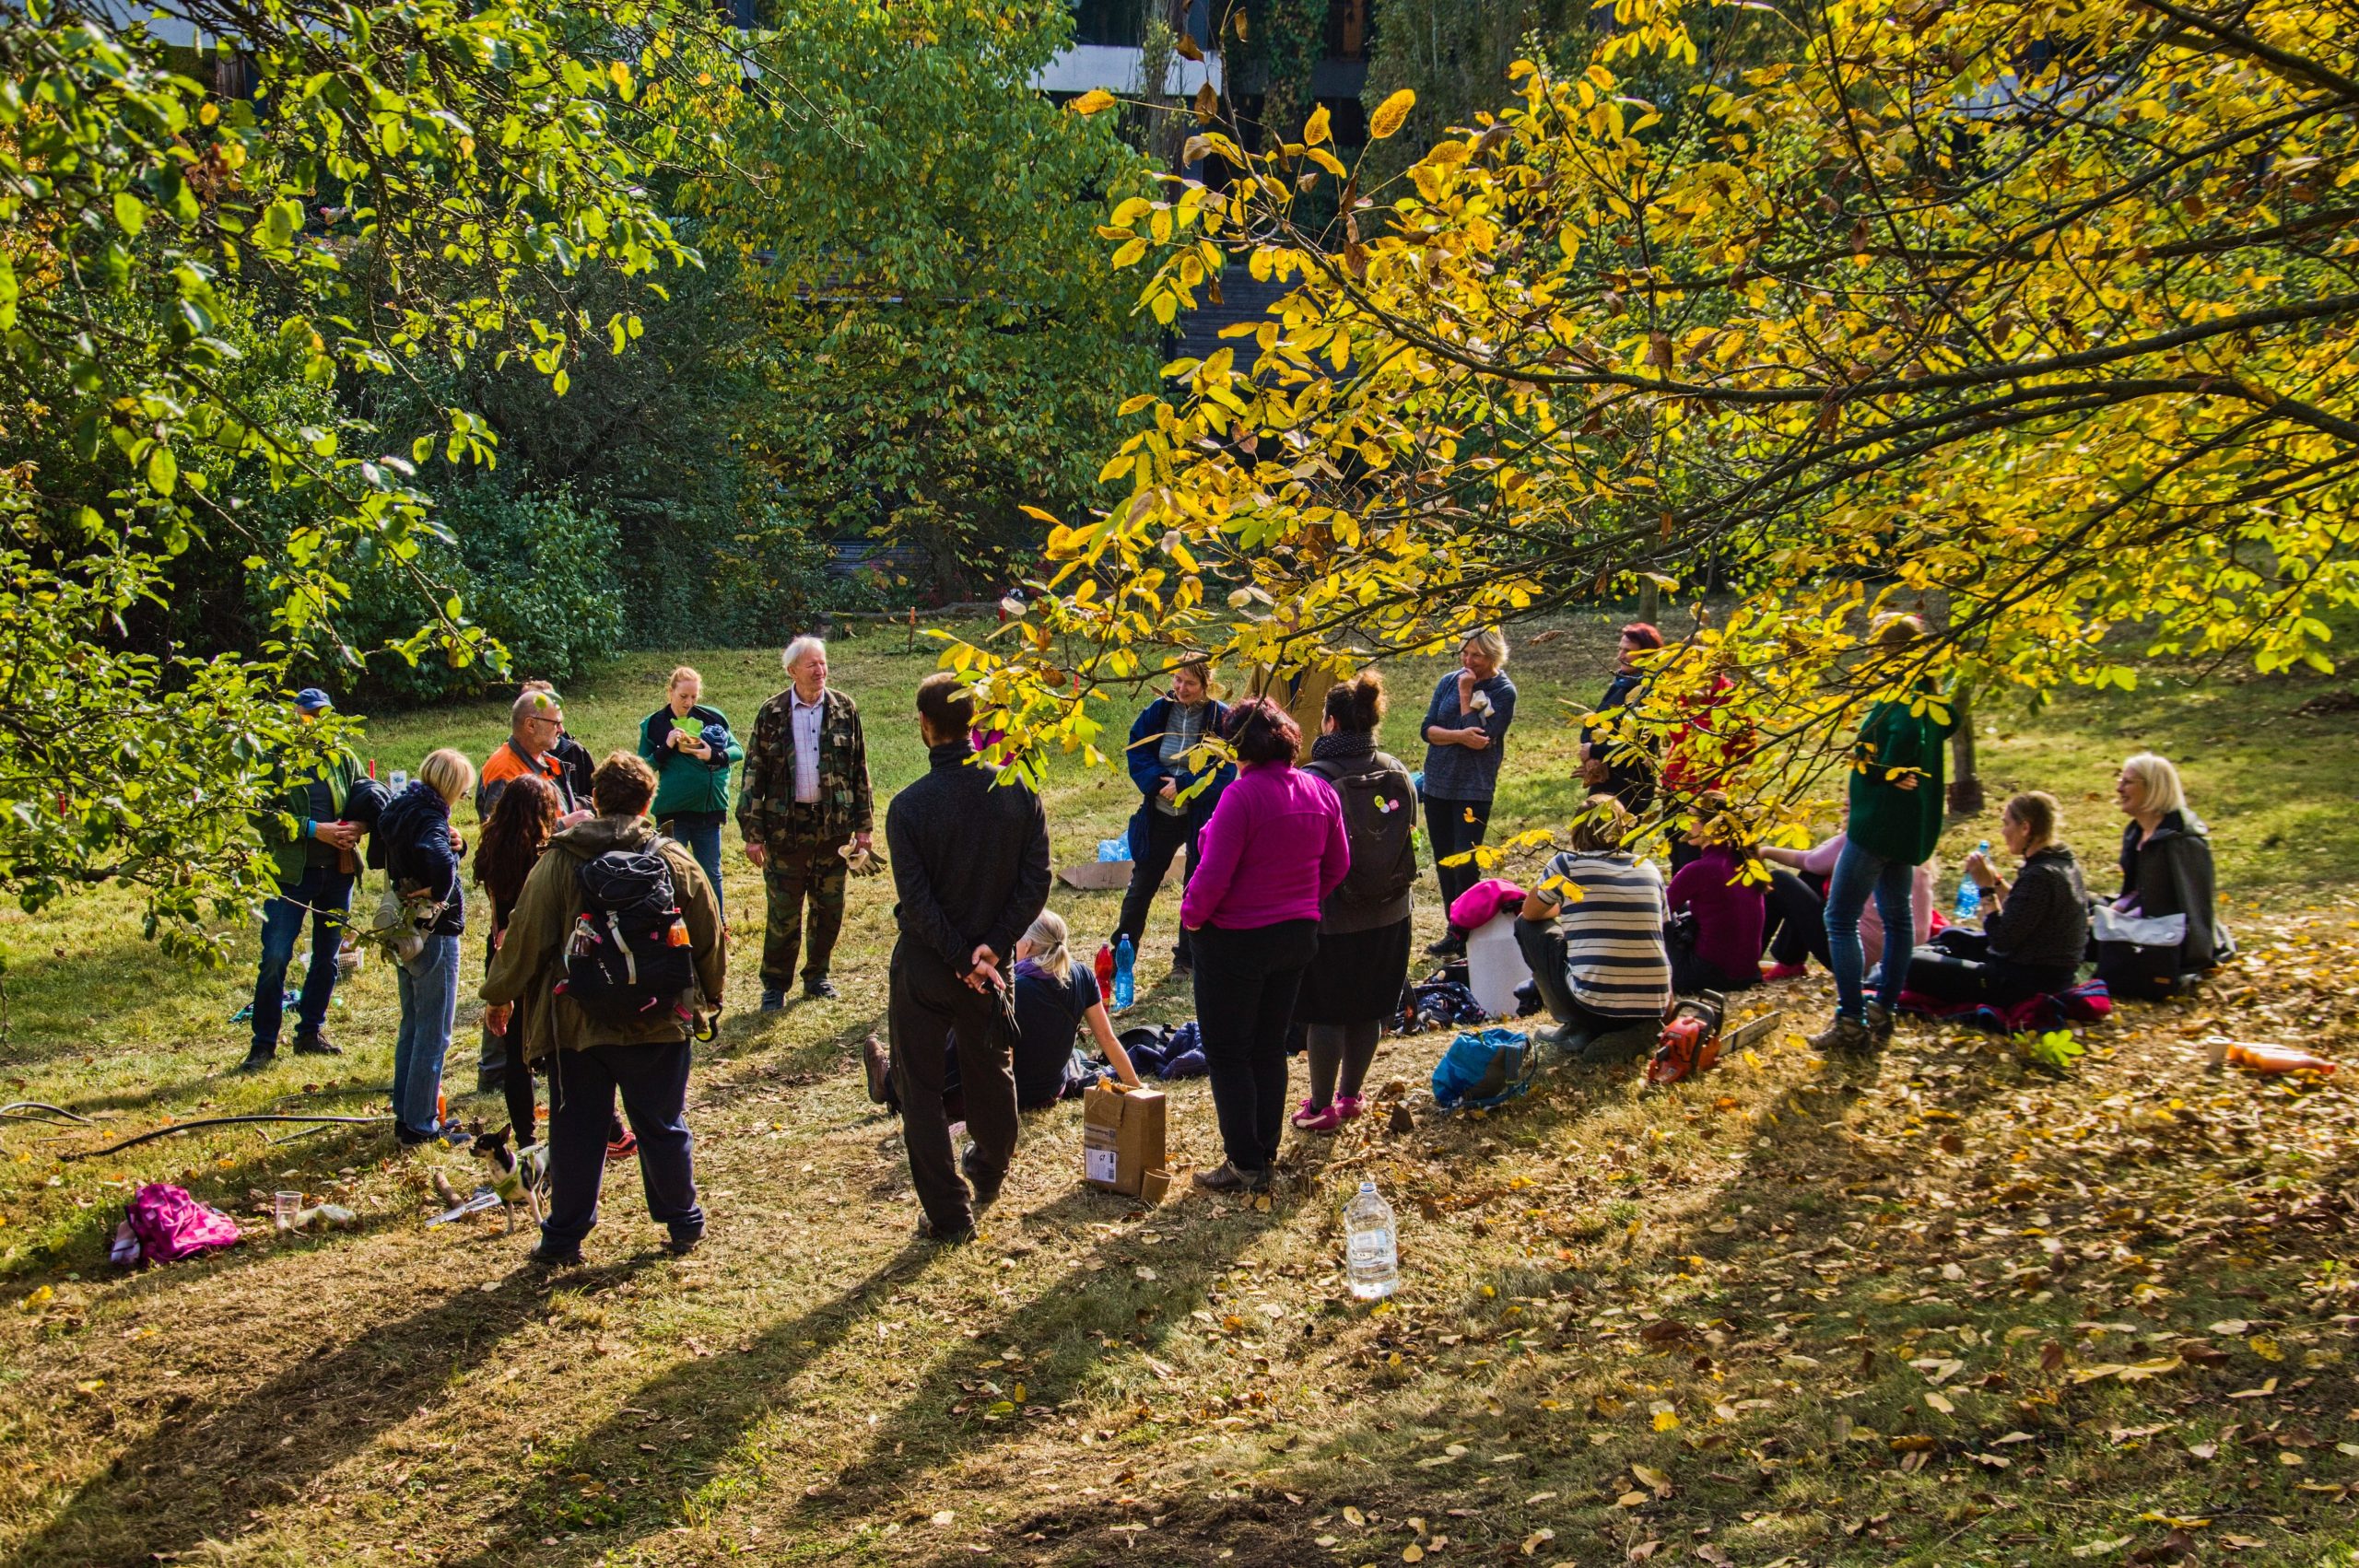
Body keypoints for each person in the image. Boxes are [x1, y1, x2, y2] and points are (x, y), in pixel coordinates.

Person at [481, 752, 725, 1267]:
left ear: (594, 799)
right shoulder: (673, 858)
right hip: (660, 1019)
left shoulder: (560, 859)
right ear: (648, 801)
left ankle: (563, 1238)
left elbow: (526, 936)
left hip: (577, 1023)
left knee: (576, 1132)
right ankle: (683, 1222)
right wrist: (711, 996)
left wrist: (499, 993)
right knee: (662, 1123)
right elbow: (708, 932)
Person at [885, 672, 1051, 1242]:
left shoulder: (909, 806)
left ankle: (951, 1210)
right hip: (985, 960)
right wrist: (992, 948)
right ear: (977, 726)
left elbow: (918, 901)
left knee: (921, 1089)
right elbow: (1036, 883)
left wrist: (964, 955)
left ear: (926, 727)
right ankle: (988, 1166)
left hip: (933, 964)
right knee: (990, 1069)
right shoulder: (1018, 792)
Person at [1180, 698, 1350, 1190]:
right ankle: (1263, 1152)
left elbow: (1212, 876)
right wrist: (1304, 901)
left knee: (1229, 1050)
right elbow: (1338, 865)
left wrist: (1192, 920)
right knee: (1268, 1047)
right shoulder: (1319, 791)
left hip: (1235, 938)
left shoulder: (1242, 796)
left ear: (1238, 747)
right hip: (1295, 935)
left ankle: (1244, 1161)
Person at [1812, 614, 1962, 1055]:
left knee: (1839, 918)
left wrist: (1885, 770)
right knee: (1898, 921)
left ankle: (1851, 1018)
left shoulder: (1902, 703)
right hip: (1908, 832)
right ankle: (1884, 1007)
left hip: (1876, 827)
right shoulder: (1932, 702)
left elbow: (1899, 745)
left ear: (1889, 650)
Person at [472, 774, 639, 1163]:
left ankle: (527, 1139)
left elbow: (499, 910)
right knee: (561, 1045)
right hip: (544, 952)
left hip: (502, 949)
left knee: (516, 1055)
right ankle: (609, 1129)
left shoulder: (492, 846)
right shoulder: (548, 855)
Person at [1292, 673, 1417, 1133]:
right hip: (1391, 912)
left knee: (1327, 1012)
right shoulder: (1399, 771)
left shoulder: (1313, 779)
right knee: (1369, 1006)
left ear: (1328, 723)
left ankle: (1320, 1105)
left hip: (1333, 917)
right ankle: (1350, 1097)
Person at [238, 687, 374, 1073]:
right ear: (294, 717)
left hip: (337, 872)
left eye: (323, 715)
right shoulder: (274, 761)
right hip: (289, 876)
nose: (316, 722)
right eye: (309, 714)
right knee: (275, 957)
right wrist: (316, 830)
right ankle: (263, 1044)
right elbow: (259, 813)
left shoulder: (342, 759)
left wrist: (357, 827)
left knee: (327, 957)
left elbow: (367, 798)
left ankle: (310, 1031)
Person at [739, 637, 874, 1007]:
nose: (820, 670)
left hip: (833, 827)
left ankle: (818, 975)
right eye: (812, 664)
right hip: (786, 828)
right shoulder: (772, 713)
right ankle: (775, 984)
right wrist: (753, 834)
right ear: (792, 670)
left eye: (823, 663)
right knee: (784, 910)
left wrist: (864, 828)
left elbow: (859, 770)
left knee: (828, 908)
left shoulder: (845, 708)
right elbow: (754, 773)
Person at [1516, 794, 1673, 1063]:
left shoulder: (1566, 865)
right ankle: (1639, 1030)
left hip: (1595, 1007)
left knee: (1525, 927)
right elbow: (1662, 932)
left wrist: (1565, 908)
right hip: (1655, 1004)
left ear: (1577, 828)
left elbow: (1530, 912)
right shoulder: (1648, 867)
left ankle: (1575, 1025)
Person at [1907, 790, 2091, 1006]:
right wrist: (1996, 880)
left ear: (2025, 828)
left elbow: (2001, 940)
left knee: (1910, 963)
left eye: (2006, 824)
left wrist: (1986, 889)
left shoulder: (2042, 875)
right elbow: (2026, 908)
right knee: (1952, 936)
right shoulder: (2061, 862)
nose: (2003, 832)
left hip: (2025, 983)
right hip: (2045, 973)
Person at [381, 748, 476, 1146]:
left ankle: (406, 1112)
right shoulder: (431, 818)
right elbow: (438, 857)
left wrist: (457, 846)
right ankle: (421, 1124)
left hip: (404, 928)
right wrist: (441, 888)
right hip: (433, 930)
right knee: (435, 1031)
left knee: (414, 1023)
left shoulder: (401, 806)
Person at [1114, 660, 1232, 979]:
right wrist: (1158, 782)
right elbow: (1137, 751)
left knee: (1194, 887)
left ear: (1206, 685)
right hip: (1161, 813)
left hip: (1200, 815)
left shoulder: (1221, 718)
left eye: (1190, 684)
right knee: (1141, 886)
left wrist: (1185, 785)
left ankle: (1186, 960)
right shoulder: (1158, 710)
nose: (1181, 689)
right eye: (1178, 680)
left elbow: (1226, 767)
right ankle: (1121, 956)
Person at [1421, 628, 1517, 957]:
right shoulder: (1449, 679)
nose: (1467, 660)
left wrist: (1466, 695)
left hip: (1473, 788)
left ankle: (1468, 931)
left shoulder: (1503, 690)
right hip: (1437, 783)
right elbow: (1427, 730)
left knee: (1466, 862)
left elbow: (1483, 736)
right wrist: (1459, 736)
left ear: (1493, 656)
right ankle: (1453, 930)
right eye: (1464, 653)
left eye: (1475, 655)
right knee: (1445, 861)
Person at [2110, 752, 2234, 977]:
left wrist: (2194, 956)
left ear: (2152, 787)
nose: (2119, 789)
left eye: (2127, 782)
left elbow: (2193, 905)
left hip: (2164, 931)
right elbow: (2137, 889)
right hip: (2140, 914)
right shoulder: (2135, 831)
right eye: (2120, 781)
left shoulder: (2182, 842)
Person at [1756, 830, 1933, 979]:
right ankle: (1789, 963)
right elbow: (1818, 863)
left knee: (1778, 881)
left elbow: (1811, 861)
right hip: (1907, 956)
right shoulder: (1913, 842)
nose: (1845, 804)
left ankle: (1745, 968)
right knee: (1810, 878)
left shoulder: (1864, 834)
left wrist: (1764, 851)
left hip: (1856, 957)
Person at [639, 665, 743, 918]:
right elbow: (643, 766)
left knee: (711, 872)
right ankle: (671, 924)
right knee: (671, 871)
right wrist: (667, 745)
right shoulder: (655, 724)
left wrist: (713, 755)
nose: (689, 702)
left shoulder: (713, 718)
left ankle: (717, 924)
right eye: (683, 696)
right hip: (672, 812)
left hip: (708, 810)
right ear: (670, 692)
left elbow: (737, 751)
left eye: (694, 696)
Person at [1010, 911, 1142, 1109]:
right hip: (1051, 1093)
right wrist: (1135, 1086)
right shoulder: (1083, 975)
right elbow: (1107, 1037)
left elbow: (1005, 1058)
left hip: (1017, 1096)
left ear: (1027, 945)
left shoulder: (1013, 989)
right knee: (1077, 1054)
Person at [1663, 801, 1765, 994]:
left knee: (1656, 914)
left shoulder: (1700, 870)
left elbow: (1653, 912)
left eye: (1691, 818)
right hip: (1747, 973)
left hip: (1707, 976)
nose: (1686, 824)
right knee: (1683, 907)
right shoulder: (1745, 861)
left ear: (1711, 827)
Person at [1579, 623, 1662, 813]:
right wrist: (1590, 756)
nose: (1620, 655)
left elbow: (1639, 744)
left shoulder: (1651, 694)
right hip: (1603, 777)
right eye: (1620, 649)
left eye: (1628, 651)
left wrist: (1594, 750)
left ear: (1647, 656)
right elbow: (1592, 722)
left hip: (1631, 784)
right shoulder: (1620, 683)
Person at [478, 684, 583, 820]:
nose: (561, 731)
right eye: (556, 723)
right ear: (531, 725)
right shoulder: (504, 771)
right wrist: (564, 825)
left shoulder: (547, 761)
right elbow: (504, 836)